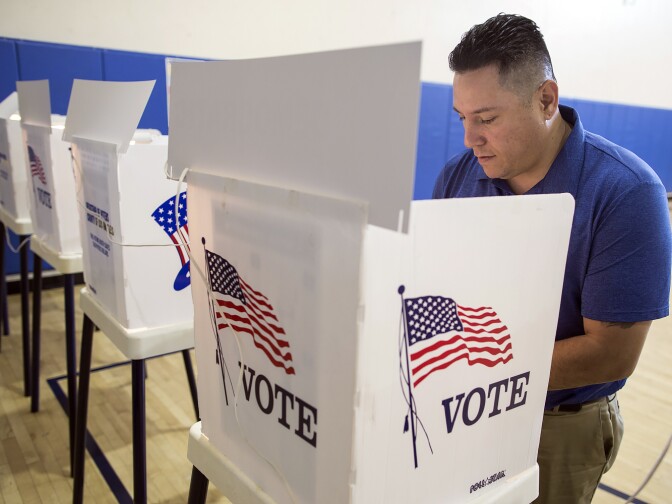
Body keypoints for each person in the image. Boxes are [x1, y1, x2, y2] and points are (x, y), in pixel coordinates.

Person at [432, 13, 671, 504]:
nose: (469, 138)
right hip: (459, 407)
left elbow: (612, 353)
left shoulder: (627, 192)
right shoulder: (457, 177)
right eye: (463, 118)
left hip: (559, 425)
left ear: (545, 100)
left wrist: (474, 366)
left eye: (488, 119)